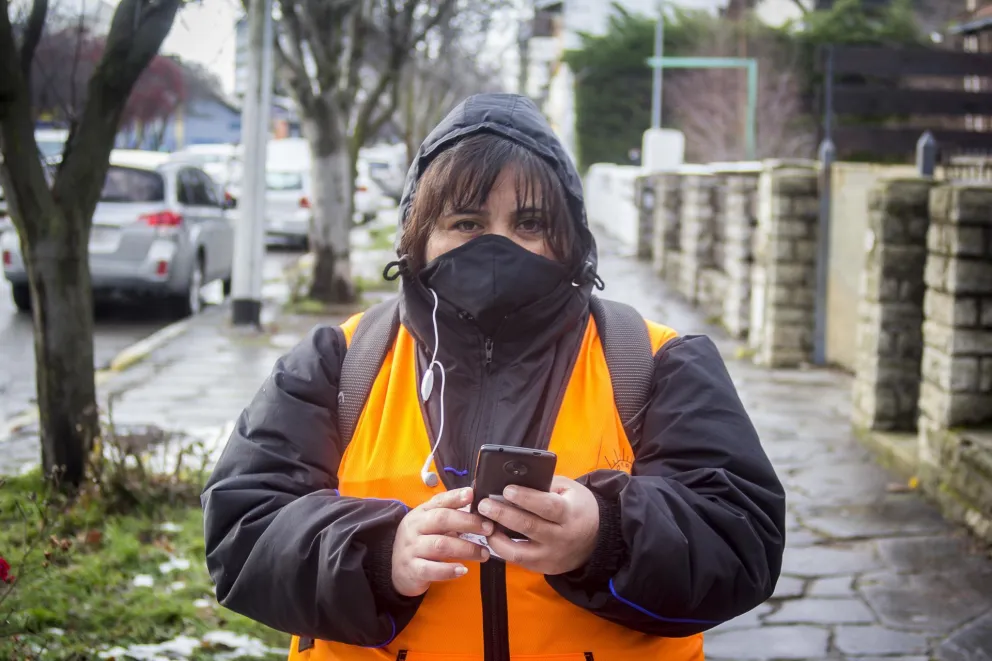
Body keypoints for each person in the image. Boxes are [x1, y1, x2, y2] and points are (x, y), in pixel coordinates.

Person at [202, 93, 786, 661]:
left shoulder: (657, 362)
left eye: (529, 222)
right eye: (466, 221)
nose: (498, 248)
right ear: (417, 236)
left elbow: (744, 538)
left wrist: (605, 535)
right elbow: (242, 526)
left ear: (571, 240)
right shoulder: (340, 361)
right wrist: (379, 555)